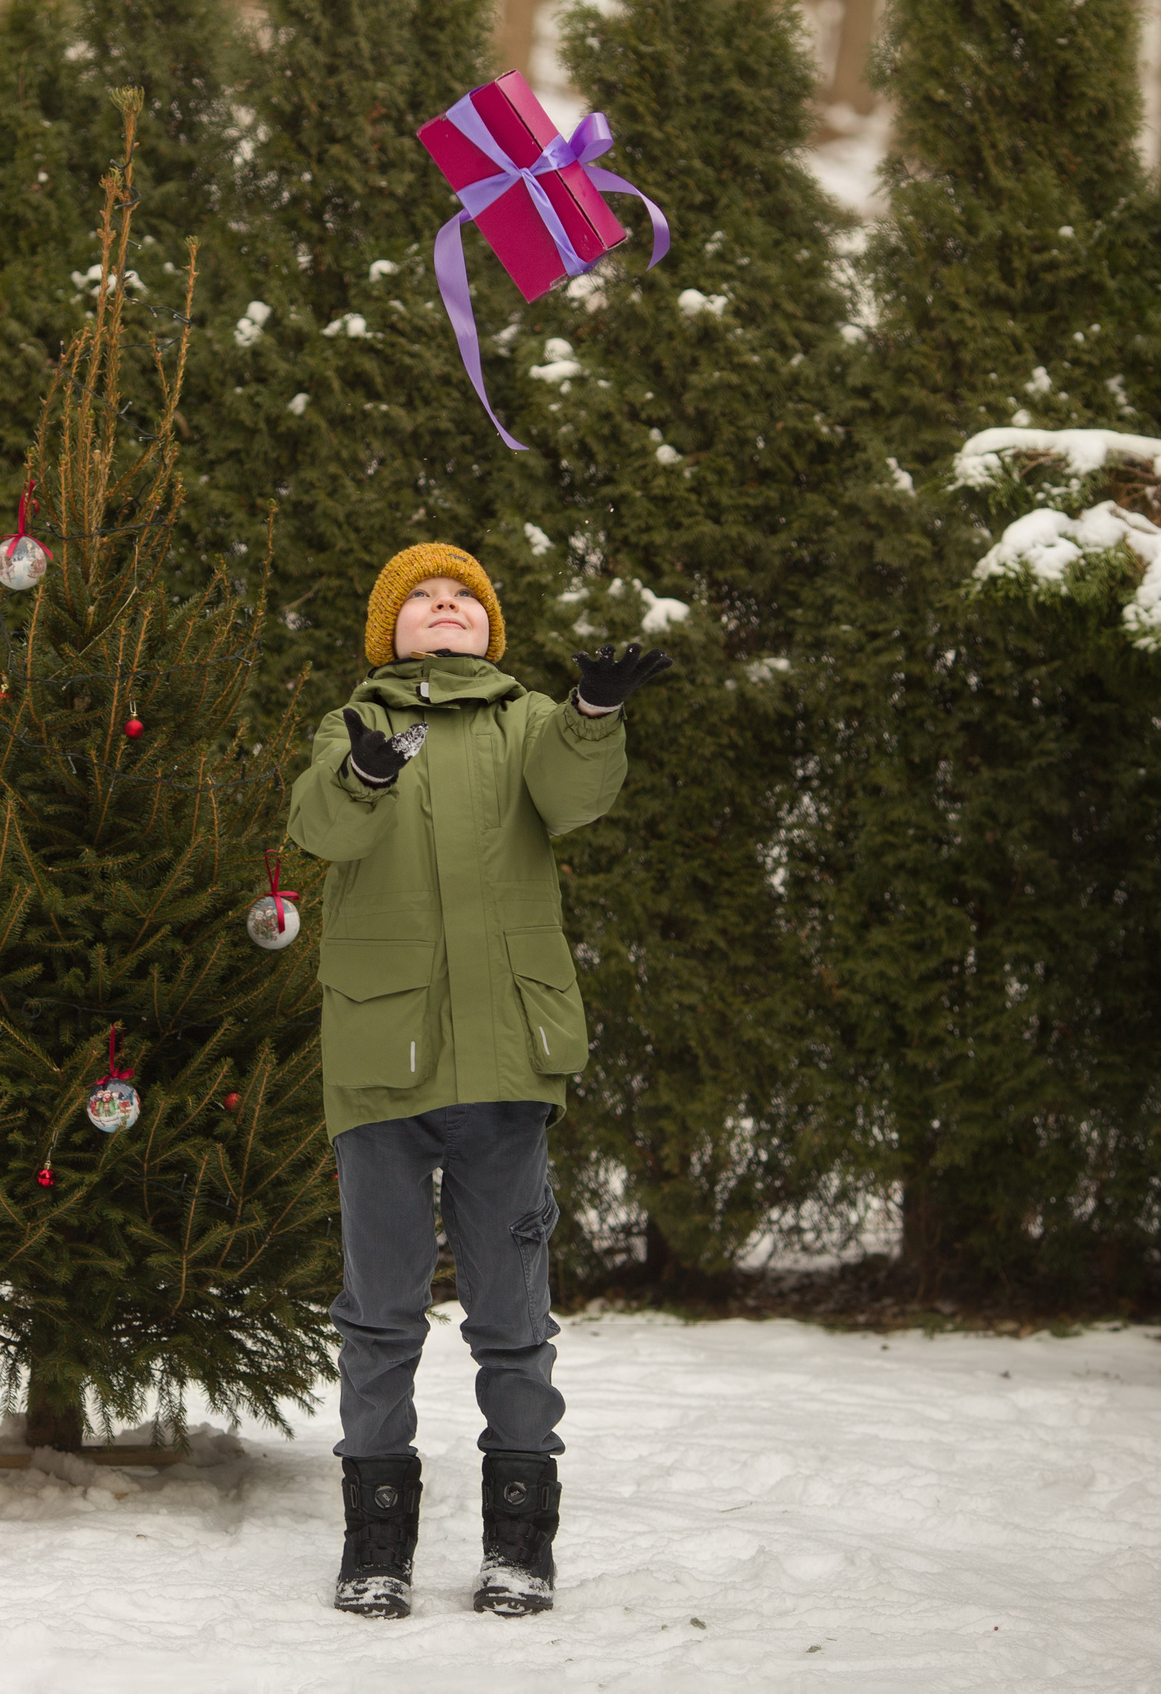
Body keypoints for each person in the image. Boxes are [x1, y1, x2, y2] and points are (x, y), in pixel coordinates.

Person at [286, 542, 667, 1619]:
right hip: (384, 1065)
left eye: (463, 596)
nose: (444, 606)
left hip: (505, 1064)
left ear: (489, 625)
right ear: (388, 629)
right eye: (422, 598)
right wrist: (365, 774)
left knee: (512, 1320)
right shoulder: (351, 723)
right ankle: (375, 1546)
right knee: (379, 1316)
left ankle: (519, 1546)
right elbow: (318, 825)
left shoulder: (530, 719)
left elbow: (574, 796)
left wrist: (592, 713)